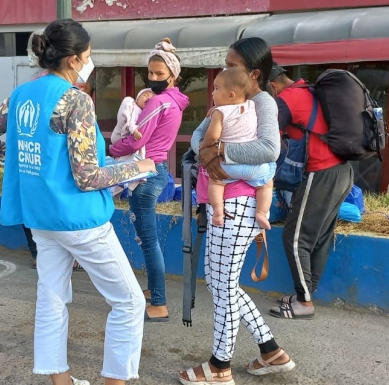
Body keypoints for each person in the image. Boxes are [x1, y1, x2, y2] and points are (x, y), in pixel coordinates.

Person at [0, 18, 158, 385]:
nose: (90, 63)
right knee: (128, 303)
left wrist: (18, 162)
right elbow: (88, 176)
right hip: (78, 218)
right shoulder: (75, 101)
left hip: (39, 217)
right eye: (87, 57)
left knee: (52, 298)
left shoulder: (22, 94)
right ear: (74, 59)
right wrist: (136, 166)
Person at [180, 37, 294, 385]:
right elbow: (199, 137)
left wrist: (218, 152)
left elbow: (269, 149)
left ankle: (219, 366)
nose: (224, 71)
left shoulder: (262, 102)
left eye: (232, 65)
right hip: (230, 202)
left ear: (254, 73)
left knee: (223, 287)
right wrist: (205, 149)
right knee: (221, 283)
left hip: (237, 203)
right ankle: (271, 351)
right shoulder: (232, 99)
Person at [109, 38, 190, 322]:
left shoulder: (158, 102)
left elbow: (134, 141)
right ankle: (153, 291)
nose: (154, 78)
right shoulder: (176, 102)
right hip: (158, 169)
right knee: (148, 239)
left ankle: (159, 304)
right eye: (150, 73)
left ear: (173, 75)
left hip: (145, 172)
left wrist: (111, 149)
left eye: (159, 74)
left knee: (148, 240)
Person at [268, 65, 354, 320]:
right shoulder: (308, 91)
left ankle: (304, 303)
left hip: (321, 172)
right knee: (320, 237)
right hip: (343, 171)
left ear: (272, 86)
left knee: (294, 237)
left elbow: (267, 136)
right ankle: (306, 292)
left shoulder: (287, 98)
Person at [196, 68, 275, 230]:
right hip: (254, 168)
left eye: (216, 89)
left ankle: (218, 210)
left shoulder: (220, 112)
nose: (212, 93)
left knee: (216, 182)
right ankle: (261, 212)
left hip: (227, 166)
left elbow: (212, 135)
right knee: (267, 183)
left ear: (231, 95)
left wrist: (204, 146)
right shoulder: (252, 105)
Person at [108, 88, 155, 195]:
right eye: (146, 95)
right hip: (124, 136)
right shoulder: (134, 109)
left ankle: (120, 185)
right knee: (122, 164)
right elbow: (130, 122)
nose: (148, 98)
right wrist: (134, 131)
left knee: (126, 162)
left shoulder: (145, 113)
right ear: (137, 99)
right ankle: (118, 185)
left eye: (152, 98)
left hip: (128, 143)